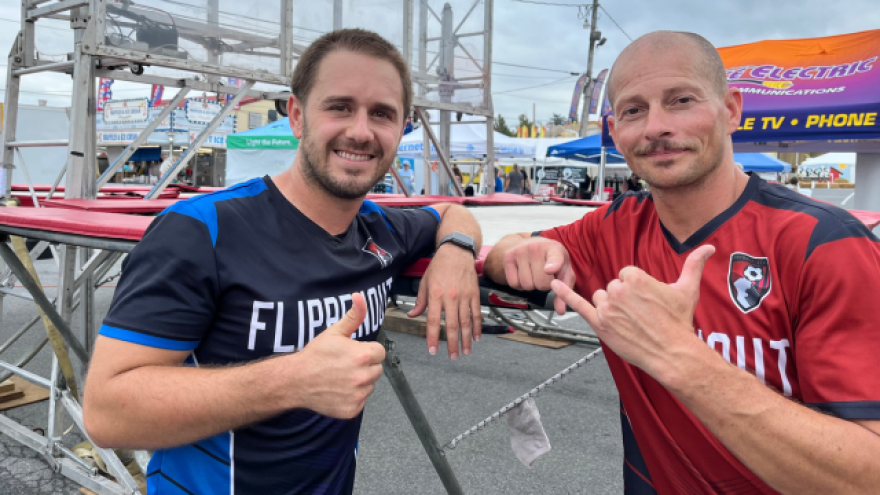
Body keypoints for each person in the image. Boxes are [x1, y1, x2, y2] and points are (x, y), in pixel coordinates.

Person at [84, 29, 484, 495]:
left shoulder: (383, 229)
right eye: (339, 106)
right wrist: (291, 381)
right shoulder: (202, 230)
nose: (361, 130)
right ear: (297, 116)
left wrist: (457, 250)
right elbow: (107, 414)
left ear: (401, 128)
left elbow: (453, 213)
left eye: (382, 114)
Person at [485, 31, 880, 495]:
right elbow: (501, 251)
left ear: (731, 110)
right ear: (615, 132)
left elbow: (867, 476)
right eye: (634, 110)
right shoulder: (613, 228)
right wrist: (512, 251)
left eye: (681, 100)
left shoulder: (823, 242)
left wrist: (680, 356)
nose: (655, 127)